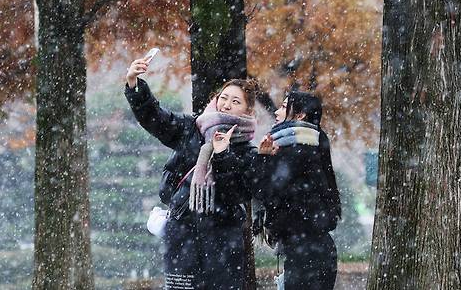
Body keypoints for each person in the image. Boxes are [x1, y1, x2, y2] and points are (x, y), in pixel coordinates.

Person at [124, 54, 258, 290]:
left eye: (236, 102)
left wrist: (223, 154)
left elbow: (237, 194)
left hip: (222, 239)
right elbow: (157, 119)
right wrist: (135, 85)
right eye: (223, 97)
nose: (226, 104)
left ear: (247, 111)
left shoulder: (247, 151)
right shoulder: (193, 128)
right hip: (183, 233)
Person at [212, 91, 341, 290]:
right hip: (312, 249)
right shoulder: (309, 144)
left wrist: (261, 157)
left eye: (283, 107)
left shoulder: (295, 149)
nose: (278, 112)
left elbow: (263, 190)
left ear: (299, 116)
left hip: (305, 253)